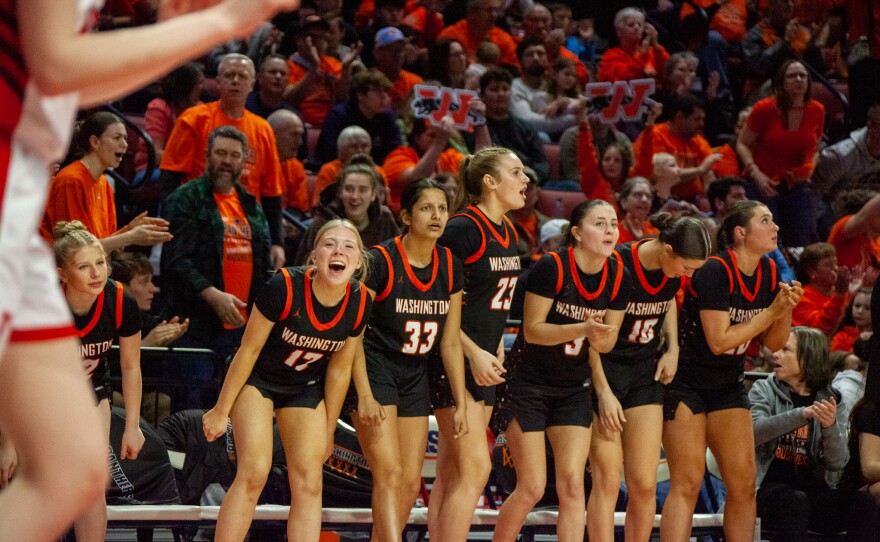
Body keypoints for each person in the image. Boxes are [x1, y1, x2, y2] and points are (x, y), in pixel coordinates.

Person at [0, 2, 298, 540]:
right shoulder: (80, 183)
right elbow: (58, 63)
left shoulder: (237, 210)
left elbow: (72, 73)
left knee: (76, 473)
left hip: (21, 254)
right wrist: (224, 20)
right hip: (18, 244)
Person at [203, 219, 371, 542]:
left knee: (309, 481)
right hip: (258, 380)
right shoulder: (283, 286)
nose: (339, 251)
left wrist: (328, 429)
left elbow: (339, 369)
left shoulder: (361, 301)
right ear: (314, 256)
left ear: (359, 261)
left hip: (303, 388)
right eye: (329, 244)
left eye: (349, 246)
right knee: (253, 472)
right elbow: (248, 351)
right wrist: (221, 410)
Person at [661, 200, 803, 542]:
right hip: (685, 384)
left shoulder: (769, 271)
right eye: (765, 221)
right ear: (740, 233)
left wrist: (785, 310)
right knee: (688, 482)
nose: (775, 227)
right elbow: (718, 341)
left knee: (743, 484)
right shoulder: (714, 270)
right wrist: (771, 312)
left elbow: (772, 343)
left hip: (728, 385)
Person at [492, 199, 630, 542]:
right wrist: (583, 329)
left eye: (613, 223)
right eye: (600, 224)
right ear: (578, 233)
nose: (610, 230)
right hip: (527, 384)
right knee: (532, 487)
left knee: (573, 486)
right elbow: (533, 331)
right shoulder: (551, 267)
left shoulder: (618, 276)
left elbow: (606, 345)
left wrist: (598, 337)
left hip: (573, 387)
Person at [352, 179, 468, 542]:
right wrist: (365, 394)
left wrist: (462, 401)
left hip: (415, 372)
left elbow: (449, 343)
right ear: (405, 215)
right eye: (426, 208)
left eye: (442, 208)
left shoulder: (450, 265)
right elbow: (351, 335)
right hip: (375, 366)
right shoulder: (380, 260)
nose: (436, 215)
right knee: (388, 472)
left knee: (408, 479)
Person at [588, 214, 711, 542]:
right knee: (608, 481)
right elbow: (590, 335)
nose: (689, 275)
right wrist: (602, 392)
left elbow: (668, 299)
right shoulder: (616, 265)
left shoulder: (669, 270)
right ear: (667, 250)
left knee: (644, 484)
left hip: (644, 373)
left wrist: (672, 349)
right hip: (604, 371)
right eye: (687, 267)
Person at [429, 147, 529, 541]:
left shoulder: (509, 230)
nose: (525, 181)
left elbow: (491, 300)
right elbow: (434, 302)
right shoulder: (461, 229)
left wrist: (497, 345)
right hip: (453, 359)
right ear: (489, 182)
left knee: (451, 472)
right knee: (475, 469)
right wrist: (473, 351)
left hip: (485, 360)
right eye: (516, 172)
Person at [54, 221, 145, 542]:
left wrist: (132, 426)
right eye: (83, 266)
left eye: (100, 263)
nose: (96, 273)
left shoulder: (121, 301)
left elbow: (131, 367)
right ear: (63, 274)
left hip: (92, 392)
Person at [159, 53, 287, 268]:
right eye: (229, 75)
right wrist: (172, 225)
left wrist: (278, 242)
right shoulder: (193, 119)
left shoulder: (263, 129)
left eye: (242, 76)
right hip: (198, 218)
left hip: (245, 224)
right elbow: (169, 179)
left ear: (252, 84)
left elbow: (271, 193)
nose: (235, 80)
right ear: (218, 82)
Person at [751, 327, 879, 540]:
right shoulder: (763, 389)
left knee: (863, 503)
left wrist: (829, 428)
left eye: (786, 350)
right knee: (795, 501)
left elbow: (837, 462)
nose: (776, 354)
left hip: (813, 493)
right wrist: (801, 414)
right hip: (765, 490)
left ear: (807, 358)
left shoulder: (830, 398)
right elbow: (755, 432)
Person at [161, 126, 274, 364]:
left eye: (234, 156)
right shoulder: (186, 198)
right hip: (194, 326)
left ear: (244, 161)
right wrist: (213, 296)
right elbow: (175, 260)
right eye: (221, 153)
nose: (227, 161)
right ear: (207, 156)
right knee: (195, 399)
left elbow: (264, 266)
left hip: (242, 328)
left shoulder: (251, 205)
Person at [41, 111, 173, 251]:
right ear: (95, 142)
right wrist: (130, 236)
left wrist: (129, 229)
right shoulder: (71, 180)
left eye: (125, 138)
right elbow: (76, 250)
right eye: (117, 138)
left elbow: (104, 244)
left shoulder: (105, 184)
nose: (125, 145)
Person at [737, 59, 825, 248]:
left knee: (799, 245)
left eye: (803, 75)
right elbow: (743, 143)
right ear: (781, 82)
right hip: (764, 183)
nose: (798, 79)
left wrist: (810, 168)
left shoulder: (817, 110)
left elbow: (815, 147)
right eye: (792, 76)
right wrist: (756, 174)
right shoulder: (764, 108)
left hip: (797, 185)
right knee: (766, 243)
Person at [295, 155, 399, 265]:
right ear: (340, 192)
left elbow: (400, 263)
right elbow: (302, 269)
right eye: (349, 189)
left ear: (373, 194)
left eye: (362, 190)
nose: (355, 196)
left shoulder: (384, 219)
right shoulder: (321, 223)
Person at [474, 69, 549, 184]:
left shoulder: (526, 128)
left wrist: (530, 177)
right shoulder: (476, 128)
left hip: (526, 182)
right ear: (482, 96)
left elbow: (542, 164)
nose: (501, 94)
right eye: (494, 89)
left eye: (505, 89)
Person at [315, 68, 402, 168]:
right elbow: (329, 153)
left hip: (374, 172)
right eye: (378, 91)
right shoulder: (339, 115)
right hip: (337, 171)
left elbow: (396, 152)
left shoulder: (387, 117)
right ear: (360, 95)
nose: (384, 96)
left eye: (385, 91)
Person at [134, 62, 205, 177]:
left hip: (189, 170)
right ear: (186, 87)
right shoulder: (159, 107)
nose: (203, 88)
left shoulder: (201, 110)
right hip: (151, 170)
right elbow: (156, 155)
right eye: (199, 83)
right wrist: (190, 164)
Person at [110, 251, 189, 348]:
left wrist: (168, 337)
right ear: (119, 287)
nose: (154, 289)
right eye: (144, 282)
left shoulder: (145, 321)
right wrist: (146, 345)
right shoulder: (101, 325)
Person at [315, 125, 390, 209]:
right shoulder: (329, 170)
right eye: (354, 146)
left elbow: (385, 204)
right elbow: (320, 205)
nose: (360, 150)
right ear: (341, 150)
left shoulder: (378, 171)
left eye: (364, 146)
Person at [437, 0, 520, 71]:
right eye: (489, 10)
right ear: (472, 13)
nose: (494, 15)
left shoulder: (503, 38)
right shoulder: (451, 36)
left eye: (496, 10)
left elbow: (513, 71)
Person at [597, 7, 669, 85]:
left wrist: (656, 46)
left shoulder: (653, 52)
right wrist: (642, 56)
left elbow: (669, 73)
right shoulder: (611, 56)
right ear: (619, 31)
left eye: (640, 25)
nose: (636, 27)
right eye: (631, 25)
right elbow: (624, 80)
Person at [791, 243, 852, 334]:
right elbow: (819, 331)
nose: (835, 268)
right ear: (811, 272)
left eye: (835, 263)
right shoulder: (800, 298)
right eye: (828, 265)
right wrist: (839, 296)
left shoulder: (841, 291)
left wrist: (854, 293)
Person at [267, 109, 310, 213]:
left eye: (301, 135)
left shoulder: (296, 167)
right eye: (294, 135)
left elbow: (299, 209)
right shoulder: (254, 164)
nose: (300, 142)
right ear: (273, 135)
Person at [831, 288, 873, 353]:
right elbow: (837, 361)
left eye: (867, 308)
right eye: (857, 306)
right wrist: (861, 344)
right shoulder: (841, 337)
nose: (860, 311)